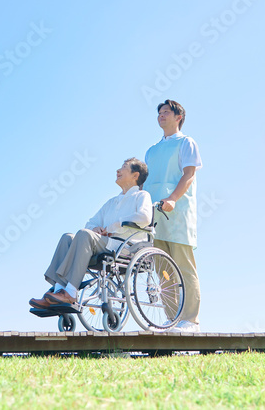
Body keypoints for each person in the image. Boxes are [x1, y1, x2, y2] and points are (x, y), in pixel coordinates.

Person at [30, 158, 152, 310]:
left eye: (124, 167)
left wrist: (115, 225)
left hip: (126, 246)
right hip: (105, 243)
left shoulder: (142, 196)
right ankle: (57, 291)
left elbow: (145, 217)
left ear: (135, 175)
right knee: (68, 237)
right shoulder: (111, 202)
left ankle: (71, 292)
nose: (118, 170)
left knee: (84, 235)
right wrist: (95, 229)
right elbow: (91, 223)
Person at [143, 99, 202, 331]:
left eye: (166, 112)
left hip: (177, 213)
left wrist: (173, 199)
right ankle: (172, 319)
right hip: (153, 215)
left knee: (184, 267)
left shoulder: (186, 142)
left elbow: (189, 174)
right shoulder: (151, 151)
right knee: (163, 271)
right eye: (159, 112)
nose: (161, 115)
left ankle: (190, 320)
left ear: (179, 117)